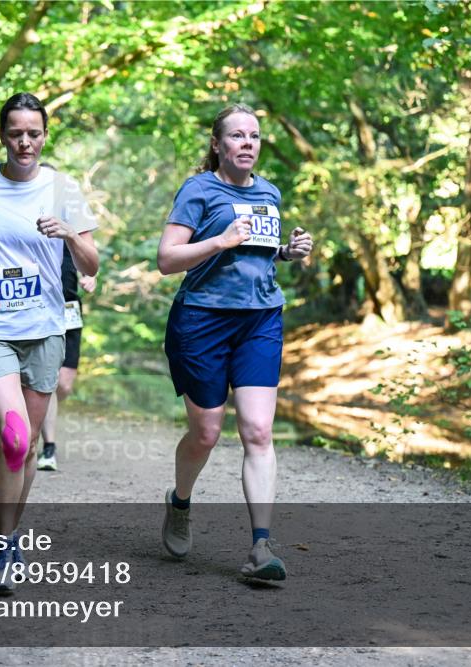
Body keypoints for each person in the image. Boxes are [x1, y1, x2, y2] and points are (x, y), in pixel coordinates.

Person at [0, 92, 99, 595]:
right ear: (2, 136)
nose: (24, 142)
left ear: (44, 135)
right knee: (14, 439)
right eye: (15, 133)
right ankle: (3, 544)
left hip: (46, 328)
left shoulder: (62, 188)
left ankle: (9, 538)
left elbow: (92, 264)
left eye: (33, 133)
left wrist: (71, 235)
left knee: (25, 447)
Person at [156, 104, 313, 582]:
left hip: (260, 320)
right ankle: (180, 502)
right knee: (206, 433)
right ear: (217, 145)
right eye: (237, 136)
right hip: (202, 321)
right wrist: (218, 242)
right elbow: (166, 259)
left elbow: (259, 256)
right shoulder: (198, 189)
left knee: (259, 432)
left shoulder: (269, 191)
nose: (248, 143)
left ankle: (260, 548)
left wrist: (288, 251)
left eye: (255, 136)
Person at [37, 248, 96, 471]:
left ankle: (39, 410)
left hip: (70, 311)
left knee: (64, 384)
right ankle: (49, 446)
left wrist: (91, 277)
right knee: (50, 382)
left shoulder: (70, 236)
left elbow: (89, 264)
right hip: (40, 311)